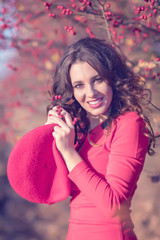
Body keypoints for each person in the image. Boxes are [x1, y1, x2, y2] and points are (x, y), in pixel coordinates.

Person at [45, 37, 154, 240]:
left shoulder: (129, 123)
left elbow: (114, 205)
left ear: (112, 78)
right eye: (79, 85)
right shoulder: (83, 129)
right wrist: (50, 135)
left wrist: (68, 152)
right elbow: (48, 189)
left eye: (97, 80)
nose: (90, 93)